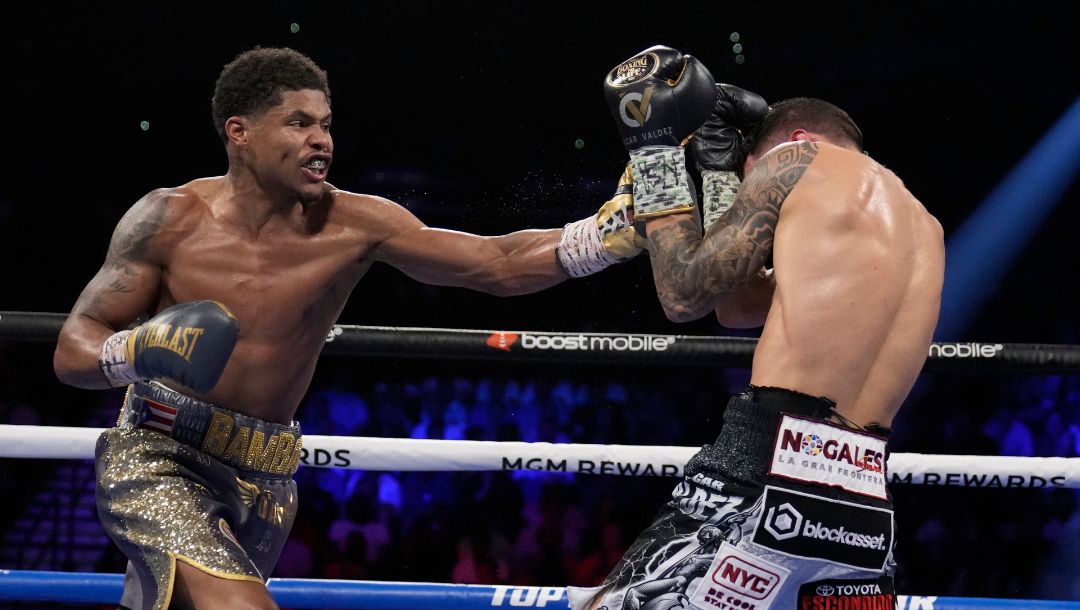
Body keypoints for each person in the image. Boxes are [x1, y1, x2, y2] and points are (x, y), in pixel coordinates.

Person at [52, 46, 644, 610]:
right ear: (239, 133)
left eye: (326, 125)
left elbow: (496, 264)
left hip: (268, 475)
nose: (322, 140)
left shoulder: (354, 224)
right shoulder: (168, 218)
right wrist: (138, 350)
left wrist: (604, 236)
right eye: (299, 123)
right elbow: (74, 347)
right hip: (161, 455)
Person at [569, 45, 945, 609]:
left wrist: (654, 151)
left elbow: (683, 294)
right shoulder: (922, 225)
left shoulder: (796, 160)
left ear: (793, 141)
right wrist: (720, 173)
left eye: (747, 176)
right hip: (863, 499)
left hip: (766, 462)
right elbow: (737, 306)